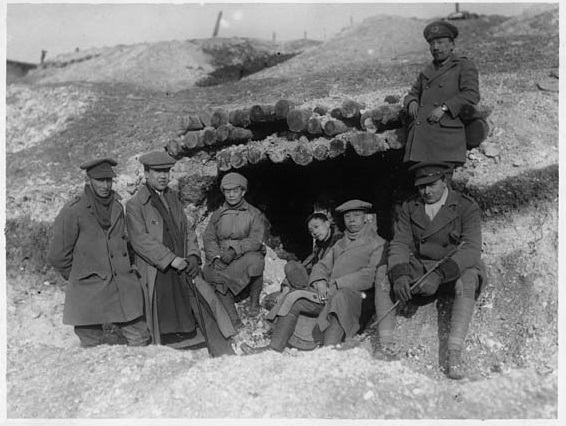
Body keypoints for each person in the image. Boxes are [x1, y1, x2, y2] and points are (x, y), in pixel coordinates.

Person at [374, 162, 485, 379]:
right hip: (420, 267)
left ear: (445, 181)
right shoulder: (409, 207)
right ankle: (385, 346)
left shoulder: (465, 206)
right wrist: (400, 273)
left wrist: (440, 274)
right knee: (382, 274)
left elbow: (471, 248)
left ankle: (454, 353)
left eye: (432, 185)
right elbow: (400, 243)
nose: (427, 191)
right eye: (421, 186)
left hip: (451, 267)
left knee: (469, 279)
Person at [126, 151, 235, 355]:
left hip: (182, 262)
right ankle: (168, 349)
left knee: (203, 301)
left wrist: (193, 255)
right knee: (163, 310)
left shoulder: (172, 198)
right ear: (147, 173)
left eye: (166, 171)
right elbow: (140, 240)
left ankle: (220, 346)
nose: (162, 176)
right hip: (156, 269)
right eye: (157, 172)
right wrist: (170, 259)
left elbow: (187, 229)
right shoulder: (135, 205)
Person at [242, 200, 387, 354]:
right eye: (347, 216)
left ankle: (327, 352)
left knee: (340, 298)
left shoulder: (378, 243)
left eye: (356, 215)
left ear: (365, 218)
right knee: (295, 299)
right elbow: (321, 266)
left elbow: (369, 275)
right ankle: (273, 348)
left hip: (356, 297)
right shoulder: (341, 244)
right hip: (328, 292)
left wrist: (337, 284)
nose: (351, 220)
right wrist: (320, 281)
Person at [47, 158, 150, 348]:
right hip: (88, 291)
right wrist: (79, 277)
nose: (105, 185)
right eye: (99, 180)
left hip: (121, 287)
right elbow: (58, 255)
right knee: (91, 347)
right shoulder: (73, 210)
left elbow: (123, 243)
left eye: (109, 180)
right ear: (88, 180)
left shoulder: (117, 206)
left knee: (140, 337)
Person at [403, 21, 480, 166]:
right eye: (432, 44)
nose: (435, 47)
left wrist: (445, 108)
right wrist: (412, 101)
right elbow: (412, 93)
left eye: (440, 42)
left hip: (445, 137)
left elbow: (472, 94)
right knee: (420, 184)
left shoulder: (463, 65)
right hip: (421, 137)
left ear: (452, 45)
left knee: (437, 183)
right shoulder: (427, 70)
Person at [202, 172, 266, 329]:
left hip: (242, 256)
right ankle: (234, 321)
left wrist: (234, 250)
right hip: (222, 258)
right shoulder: (217, 214)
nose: (231, 195)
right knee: (212, 274)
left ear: (243, 192)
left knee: (256, 261)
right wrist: (216, 257)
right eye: (227, 191)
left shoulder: (254, 214)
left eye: (235, 191)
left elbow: (255, 241)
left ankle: (254, 302)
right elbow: (209, 238)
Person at [282, 212, 344, 290]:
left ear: (327, 224)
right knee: (291, 266)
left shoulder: (340, 241)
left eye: (316, 227)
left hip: (329, 284)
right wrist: (286, 286)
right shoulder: (318, 247)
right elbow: (307, 266)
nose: (314, 232)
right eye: (311, 231)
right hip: (314, 281)